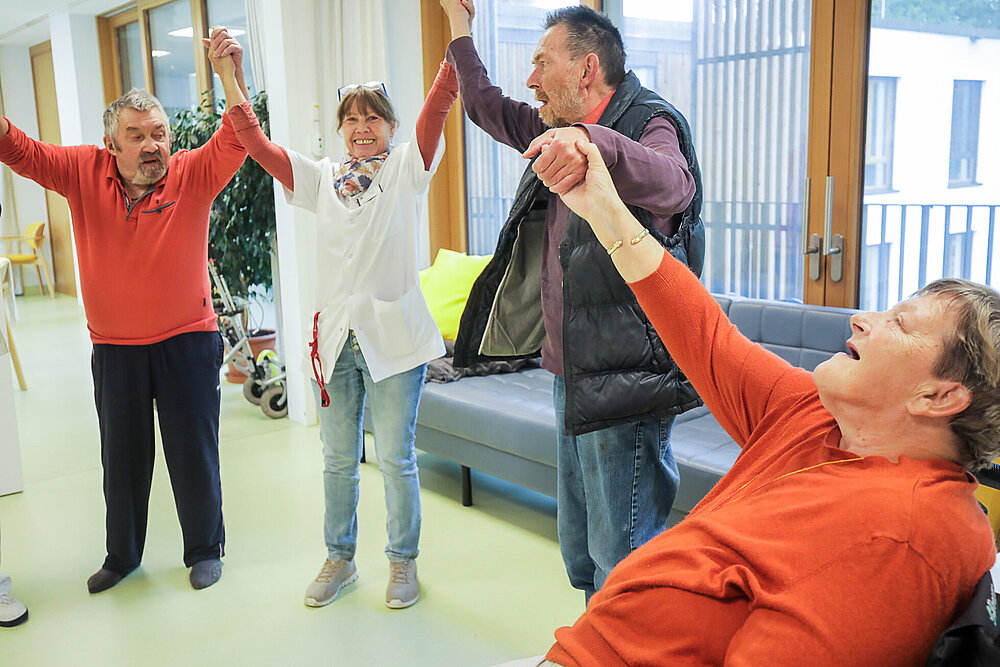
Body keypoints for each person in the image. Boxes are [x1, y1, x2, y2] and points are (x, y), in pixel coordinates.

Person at [529, 138, 1000, 665]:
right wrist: (602, 206)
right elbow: (702, 330)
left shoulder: (905, 533)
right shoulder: (815, 415)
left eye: (900, 323)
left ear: (939, 396)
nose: (863, 319)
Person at [439, 0, 704, 600]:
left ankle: (625, 644)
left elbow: (673, 182)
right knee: (582, 545)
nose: (530, 80)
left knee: (624, 553)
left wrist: (593, 143)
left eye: (540, 63)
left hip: (627, 379)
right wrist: (460, 28)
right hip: (570, 369)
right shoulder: (551, 132)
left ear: (586, 69)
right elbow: (484, 105)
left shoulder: (650, 121)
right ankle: (597, 640)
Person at [204, 27, 457, 609]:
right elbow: (257, 144)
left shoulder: (405, 169)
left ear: (390, 127)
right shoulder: (320, 178)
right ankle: (339, 560)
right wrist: (228, 77)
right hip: (336, 344)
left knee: (396, 458)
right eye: (352, 120)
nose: (362, 128)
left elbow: (441, 101)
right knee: (338, 459)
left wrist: (456, 28)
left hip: (394, 341)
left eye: (373, 118)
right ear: (340, 130)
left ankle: (402, 563)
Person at [0, 34, 250, 594]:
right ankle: (123, 555)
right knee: (123, 459)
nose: (151, 144)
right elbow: (18, 149)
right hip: (115, 348)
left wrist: (230, 72)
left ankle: (205, 550)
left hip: (187, 339)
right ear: (111, 144)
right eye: (135, 136)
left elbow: (238, 137)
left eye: (158, 133)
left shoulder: (193, 174)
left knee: (194, 456)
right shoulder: (82, 173)